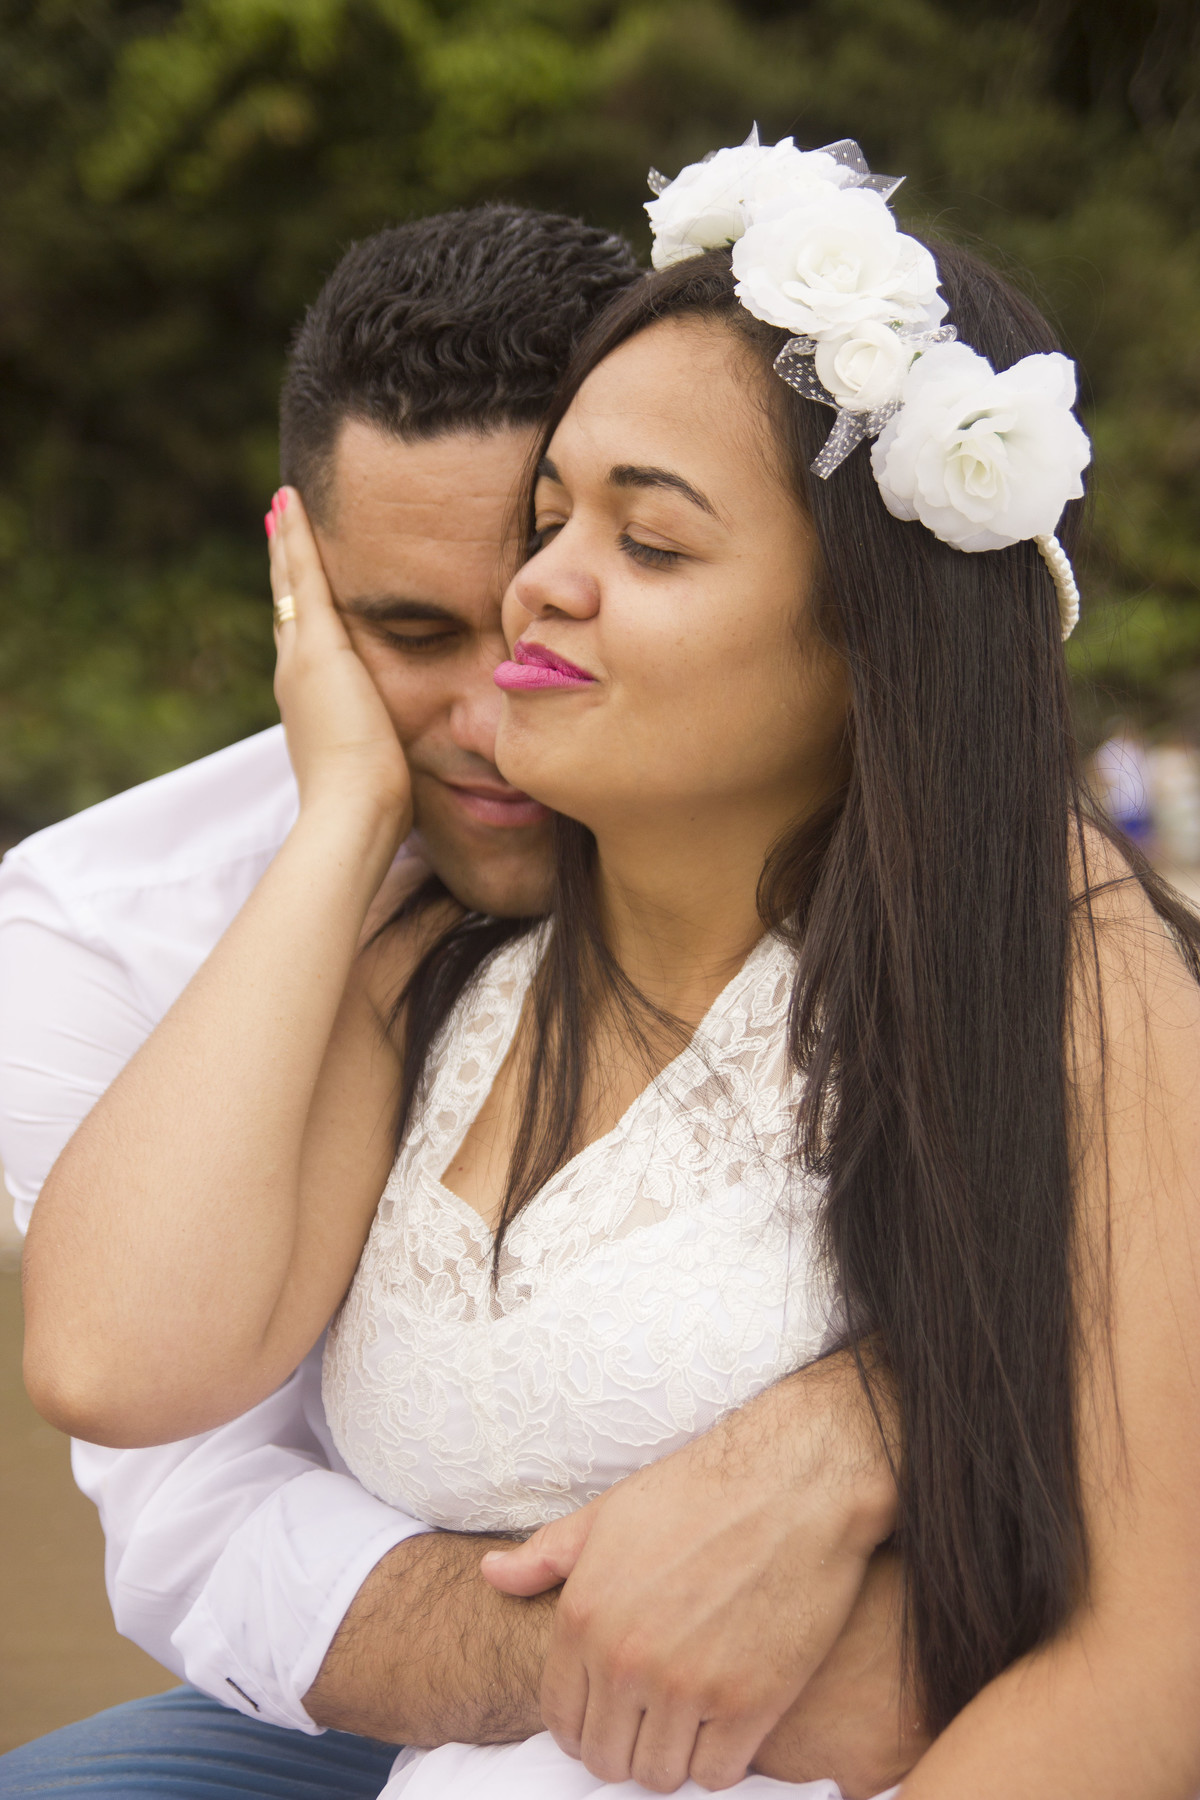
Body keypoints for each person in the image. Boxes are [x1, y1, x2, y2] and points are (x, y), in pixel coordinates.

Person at [24, 131, 1200, 1797]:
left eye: (644, 544)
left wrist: (872, 1424)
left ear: (868, 636)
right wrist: (347, 812)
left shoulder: (1051, 958)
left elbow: (1160, 1663)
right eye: (550, 523)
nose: (532, 596)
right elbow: (114, 1367)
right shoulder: (404, 961)